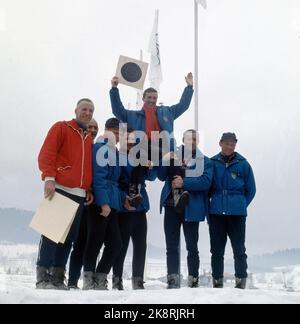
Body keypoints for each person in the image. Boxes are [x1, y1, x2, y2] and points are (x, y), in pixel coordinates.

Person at [110, 73, 194, 210]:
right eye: (149, 97)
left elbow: (183, 105)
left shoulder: (167, 112)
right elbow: (117, 109)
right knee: (139, 159)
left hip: (162, 148)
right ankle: (134, 193)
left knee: (174, 162)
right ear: (143, 98)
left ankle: (177, 194)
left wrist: (189, 87)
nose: (152, 100)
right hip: (142, 147)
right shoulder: (132, 115)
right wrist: (114, 89)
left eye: (154, 98)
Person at [36, 98, 95, 290]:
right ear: (76, 110)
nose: (87, 113)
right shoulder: (61, 128)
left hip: (79, 193)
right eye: (84, 109)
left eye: (91, 110)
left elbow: (87, 168)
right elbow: (47, 153)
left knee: (68, 238)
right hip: (60, 187)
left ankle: (57, 277)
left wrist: (88, 189)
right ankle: (43, 278)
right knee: (52, 233)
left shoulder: (88, 138)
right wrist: (49, 179)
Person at [81, 118, 132, 290]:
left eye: (120, 134)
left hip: (112, 202)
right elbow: (99, 178)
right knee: (94, 241)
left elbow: (115, 181)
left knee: (116, 243)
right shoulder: (101, 148)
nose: (118, 136)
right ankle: (89, 279)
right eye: (116, 132)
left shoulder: (115, 152)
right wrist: (103, 203)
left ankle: (100, 277)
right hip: (99, 203)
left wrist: (123, 198)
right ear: (107, 130)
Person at [158, 130, 213, 289]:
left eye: (195, 138)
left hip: (191, 207)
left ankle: (193, 280)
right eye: (189, 138)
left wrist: (184, 182)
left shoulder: (205, 161)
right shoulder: (172, 156)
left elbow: (205, 182)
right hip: (171, 205)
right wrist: (163, 160)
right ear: (183, 140)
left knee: (192, 247)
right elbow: (161, 176)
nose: (192, 141)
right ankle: (173, 281)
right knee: (171, 246)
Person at [209, 133, 256, 289]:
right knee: (216, 250)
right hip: (216, 213)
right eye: (227, 143)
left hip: (237, 214)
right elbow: (207, 187)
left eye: (233, 144)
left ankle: (241, 281)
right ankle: (217, 281)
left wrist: (240, 204)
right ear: (220, 143)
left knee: (239, 249)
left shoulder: (243, 164)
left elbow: (251, 190)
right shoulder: (212, 162)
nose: (230, 147)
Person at [112, 129, 157, 290]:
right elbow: (115, 182)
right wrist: (125, 198)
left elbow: (151, 177)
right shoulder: (116, 157)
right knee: (122, 245)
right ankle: (117, 280)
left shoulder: (140, 157)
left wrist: (150, 167)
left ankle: (137, 281)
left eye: (132, 139)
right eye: (127, 139)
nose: (130, 142)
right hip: (125, 206)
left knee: (140, 245)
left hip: (140, 206)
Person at [67, 119, 99, 289]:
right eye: (90, 127)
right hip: (79, 198)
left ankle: (90, 280)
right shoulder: (79, 147)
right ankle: (72, 281)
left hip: (96, 202)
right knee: (78, 242)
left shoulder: (98, 150)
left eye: (95, 128)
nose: (92, 130)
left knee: (92, 243)